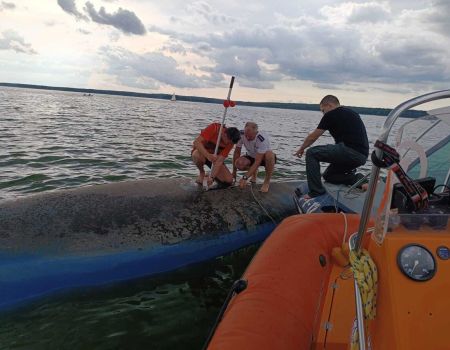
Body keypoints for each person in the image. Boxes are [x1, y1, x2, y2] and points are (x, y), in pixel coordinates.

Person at [294, 95, 369, 198]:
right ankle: (359, 180)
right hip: (361, 156)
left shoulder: (332, 114)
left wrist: (301, 148)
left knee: (311, 153)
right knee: (329, 176)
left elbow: (313, 136)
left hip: (349, 151)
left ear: (329, 105)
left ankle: (316, 191)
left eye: (323, 110)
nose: (323, 113)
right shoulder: (352, 113)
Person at [192, 122, 241, 186]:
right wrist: (208, 155)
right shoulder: (214, 128)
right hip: (202, 153)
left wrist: (212, 178)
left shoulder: (231, 142)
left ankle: (209, 176)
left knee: (228, 181)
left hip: (215, 159)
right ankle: (202, 172)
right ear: (225, 134)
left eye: (231, 143)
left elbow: (220, 161)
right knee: (197, 155)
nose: (229, 143)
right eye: (229, 141)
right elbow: (196, 142)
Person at [232, 121, 276, 193]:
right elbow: (236, 152)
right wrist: (234, 172)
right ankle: (254, 173)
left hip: (264, 158)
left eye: (250, 136)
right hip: (251, 155)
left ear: (256, 133)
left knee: (270, 155)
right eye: (246, 135)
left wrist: (245, 177)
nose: (247, 138)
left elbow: (258, 161)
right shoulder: (241, 134)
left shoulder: (261, 138)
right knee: (239, 163)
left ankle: (266, 182)